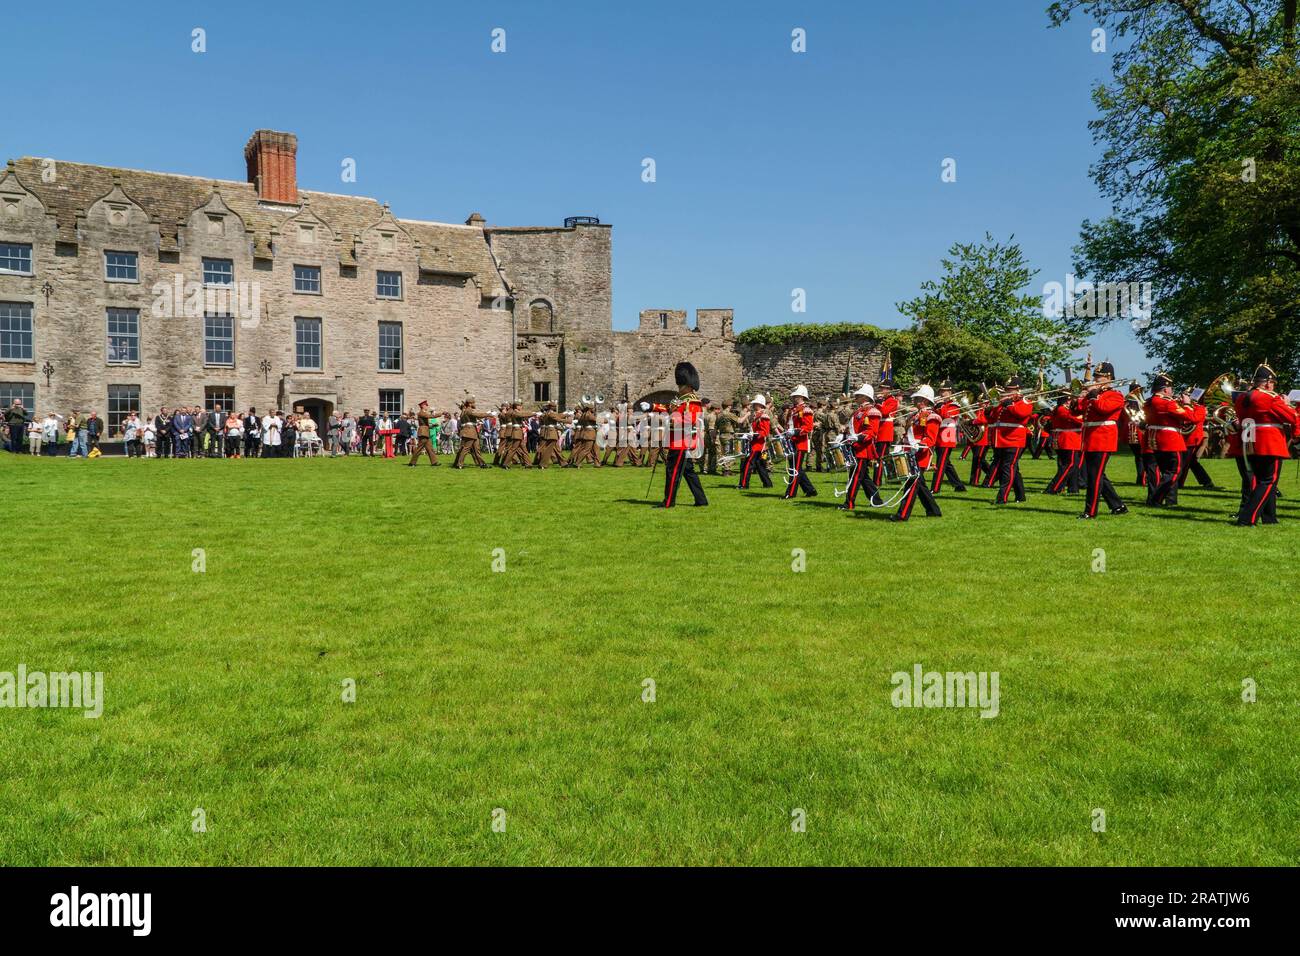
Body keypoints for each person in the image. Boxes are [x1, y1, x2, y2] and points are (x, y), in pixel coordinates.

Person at [1236, 362, 1296, 526]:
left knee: (1263, 479)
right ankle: (1247, 518)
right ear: (1268, 382)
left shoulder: (1242, 397)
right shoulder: (1270, 397)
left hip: (1250, 441)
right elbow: (1293, 417)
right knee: (1269, 481)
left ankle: (1270, 518)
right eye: (1273, 383)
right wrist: (1287, 404)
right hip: (1269, 441)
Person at [1073, 362, 1130, 519]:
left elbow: (1104, 408)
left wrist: (1094, 395)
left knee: (1094, 477)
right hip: (1090, 438)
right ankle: (1118, 506)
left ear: (1108, 378)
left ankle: (1090, 512)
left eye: (1099, 377)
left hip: (1103, 439)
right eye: (1096, 376)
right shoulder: (1094, 395)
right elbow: (1077, 409)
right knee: (1098, 475)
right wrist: (1079, 396)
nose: (1096, 380)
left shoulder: (1116, 395)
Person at [659, 362, 708, 508]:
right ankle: (701, 500)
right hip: (677, 440)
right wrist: (652, 407)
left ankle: (668, 502)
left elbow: (688, 421)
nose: (678, 388)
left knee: (672, 472)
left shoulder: (691, 401)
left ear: (687, 385)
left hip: (680, 441)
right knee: (688, 472)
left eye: (680, 385)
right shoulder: (681, 400)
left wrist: (671, 418)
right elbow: (669, 407)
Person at [893, 385, 943, 521]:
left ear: (925, 400)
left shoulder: (932, 417)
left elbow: (930, 438)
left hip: (921, 454)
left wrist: (919, 445)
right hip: (910, 452)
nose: (915, 401)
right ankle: (934, 510)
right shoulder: (914, 415)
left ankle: (902, 515)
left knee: (912, 484)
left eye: (918, 398)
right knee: (919, 484)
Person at [1142, 373, 1192, 507]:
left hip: (1157, 439)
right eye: (1171, 389)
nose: (1172, 391)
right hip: (1170, 440)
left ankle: (1169, 500)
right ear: (1165, 389)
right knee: (1175, 471)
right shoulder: (1166, 402)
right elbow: (1189, 416)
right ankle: (1155, 498)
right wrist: (1187, 404)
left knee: (1167, 472)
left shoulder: (1150, 402)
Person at [988, 376, 1031, 505]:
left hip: (1014, 439)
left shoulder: (1025, 402)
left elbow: (1021, 415)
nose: (1007, 392)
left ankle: (1002, 497)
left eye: (1010, 390)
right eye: (1006, 389)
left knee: (1008, 468)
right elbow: (994, 418)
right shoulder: (1004, 402)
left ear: (1018, 390)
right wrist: (989, 409)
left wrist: (1009, 405)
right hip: (1001, 439)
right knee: (1010, 468)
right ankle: (1020, 495)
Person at [839, 384, 883, 510]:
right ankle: (877, 501)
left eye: (858, 395)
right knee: (864, 478)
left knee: (855, 478)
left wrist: (857, 437)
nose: (856, 396)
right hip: (855, 447)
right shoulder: (859, 411)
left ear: (865, 397)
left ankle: (849, 504)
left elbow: (871, 432)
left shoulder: (872, 412)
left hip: (863, 449)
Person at [930, 380, 967, 493]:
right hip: (939, 435)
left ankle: (935, 488)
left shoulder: (954, 405)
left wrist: (940, 405)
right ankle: (959, 486)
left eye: (944, 391)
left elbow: (947, 416)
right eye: (941, 391)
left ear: (950, 392)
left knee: (941, 463)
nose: (941, 393)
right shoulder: (939, 404)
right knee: (946, 464)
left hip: (948, 436)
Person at [782, 385, 818, 499]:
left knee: (795, 469)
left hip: (800, 443)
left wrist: (795, 432)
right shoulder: (794, 410)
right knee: (796, 468)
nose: (794, 398)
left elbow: (808, 427)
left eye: (796, 396)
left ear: (802, 396)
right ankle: (810, 490)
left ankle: (790, 493)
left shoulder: (806, 410)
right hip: (792, 441)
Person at [1044, 396, 1083, 495]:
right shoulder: (1061, 409)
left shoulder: (1063, 409)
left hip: (1067, 439)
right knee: (1070, 465)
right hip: (1068, 440)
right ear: (1066, 400)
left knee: (1069, 466)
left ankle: (1073, 489)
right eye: (1070, 400)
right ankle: (1054, 488)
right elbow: (1074, 421)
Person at [452, 398, 488, 468]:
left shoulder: (464, 411)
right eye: (474, 403)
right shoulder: (468, 410)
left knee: (476, 449)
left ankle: (481, 463)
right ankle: (459, 464)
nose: (475, 404)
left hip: (472, 432)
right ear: (470, 404)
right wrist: (488, 414)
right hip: (470, 432)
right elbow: (478, 415)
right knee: (466, 449)